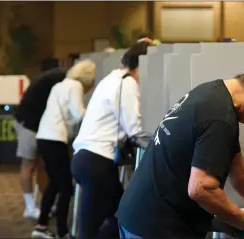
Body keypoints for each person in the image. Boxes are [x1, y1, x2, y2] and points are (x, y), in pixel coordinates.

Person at [116, 62, 244, 238]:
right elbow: (201, 188)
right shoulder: (220, 119)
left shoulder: (211, 92)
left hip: (138, 213)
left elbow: (238, 169)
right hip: (158, 226)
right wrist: (243, 219)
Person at [71, 40, 154, 239]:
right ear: (143, 63)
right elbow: (134, 127)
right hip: (97, 162)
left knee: (115, 217)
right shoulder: (127, 83)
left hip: (84, 159)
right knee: (121, 218)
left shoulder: (112, 78)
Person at [31, 59, 96, 239]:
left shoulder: (60, 85)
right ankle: (63, 232)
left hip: (44, 137)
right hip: (55, 139)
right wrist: (96, 113)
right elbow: (77, 113)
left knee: (54, 183)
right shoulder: (75, 86)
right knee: (66, 187)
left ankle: (42, 226)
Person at [14, 68, 67, 219]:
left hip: (37, 123)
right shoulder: (62, 80)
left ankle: (45, 204)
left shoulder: (56, 77)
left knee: (43, 165)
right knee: (28, 164)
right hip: (28, 123)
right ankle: (29, 207)